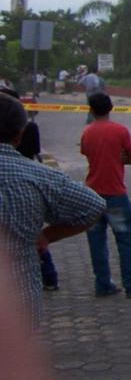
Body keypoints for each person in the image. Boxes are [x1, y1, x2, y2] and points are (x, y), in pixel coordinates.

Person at [0, 92, 105, 328]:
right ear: (19, 135)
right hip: (19, 304)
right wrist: (47, 235)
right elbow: (94, 205)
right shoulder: (41, 176)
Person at [80, 93, 131, 299]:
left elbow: (87, 154)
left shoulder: (87, 132)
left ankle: (103, 283)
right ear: (111, 107)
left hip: (91, 193)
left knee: (96, 241)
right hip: (115, 193)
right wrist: (120, 157)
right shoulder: (120, 131)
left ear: (90, 109)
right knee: (127, 239)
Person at [0, 87, 59, 291]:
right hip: (29, 179)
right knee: (31, 234)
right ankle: (49, 276)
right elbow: (35, 150)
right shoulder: (31, 127)